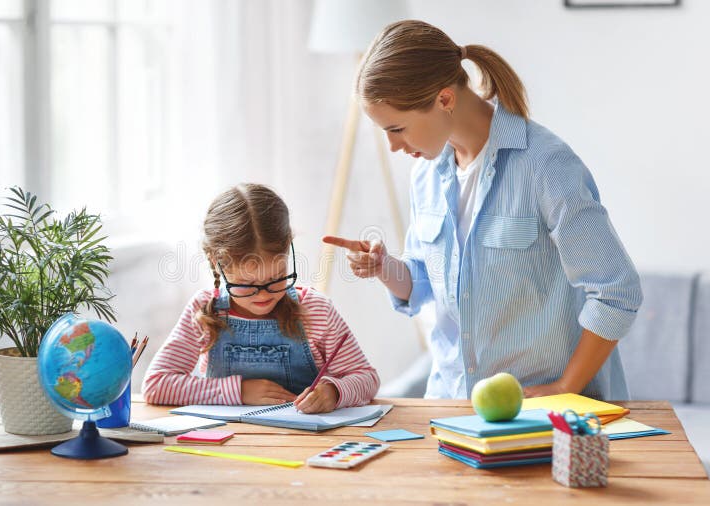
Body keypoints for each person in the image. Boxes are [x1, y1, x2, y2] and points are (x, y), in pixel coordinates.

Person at [324, 20, 642, 401]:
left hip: (543, 414)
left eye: (398, 129)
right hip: (452, 406)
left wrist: (564, 388)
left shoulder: (545, 165)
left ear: (444, 99)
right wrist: (384, 268)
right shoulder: (425, 174)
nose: (394, 146)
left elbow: (616, 290)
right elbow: (427, 283)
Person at [143, 184, 379, 413]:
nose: (265, 294)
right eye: (247, 284)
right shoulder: (206, 310)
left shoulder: (316, 310)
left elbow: (366, 378)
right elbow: (156, 385)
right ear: (218, 265)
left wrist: (334, 392)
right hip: (225, 445)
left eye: (276, 278)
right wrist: (240, 391)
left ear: (288, 250)